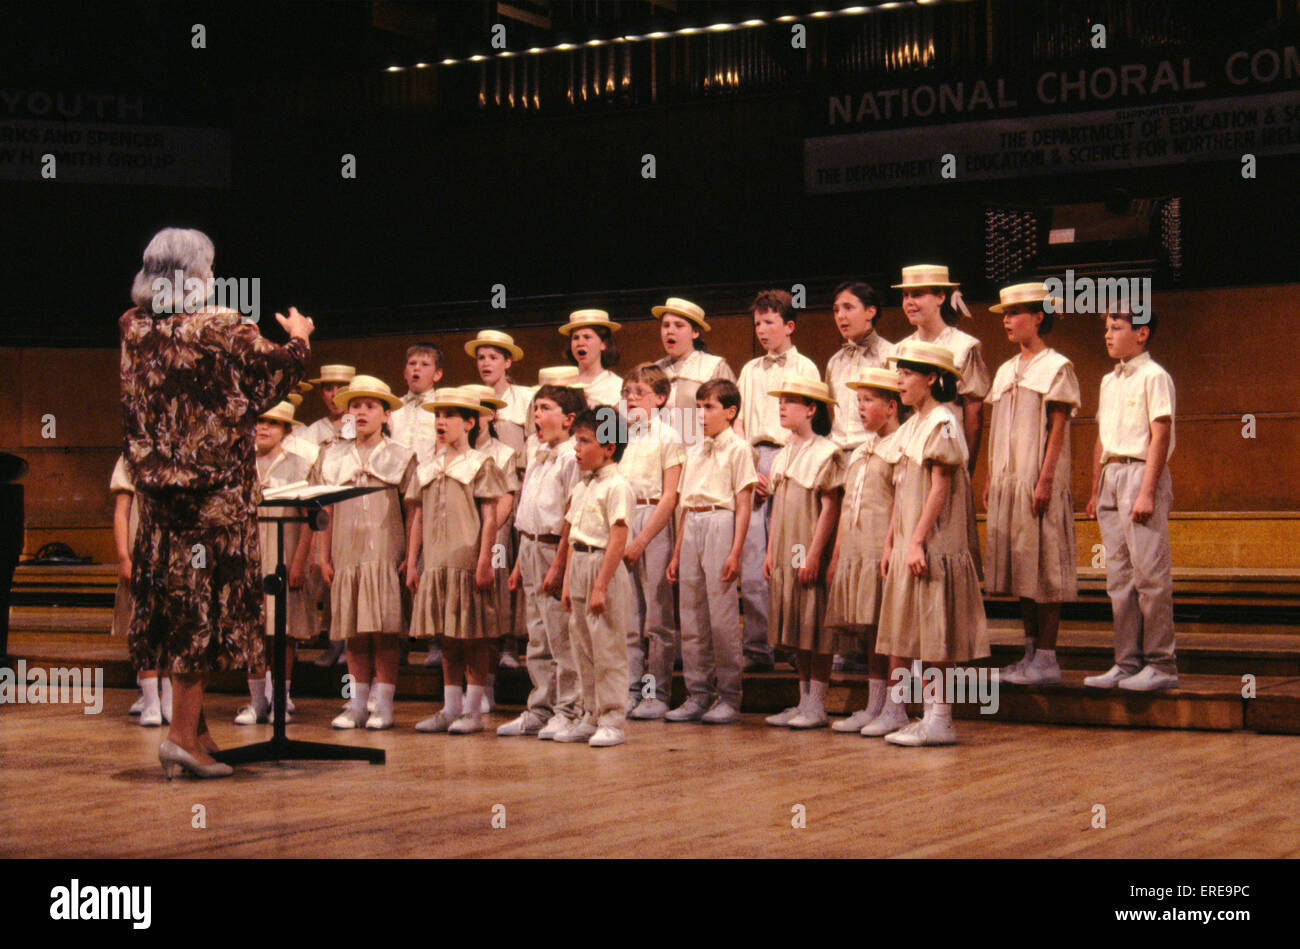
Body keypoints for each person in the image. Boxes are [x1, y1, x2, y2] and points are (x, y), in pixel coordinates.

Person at [120, 226, 312, 779]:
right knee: (200, 612)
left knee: (177, 605)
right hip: (214, 502)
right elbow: (274, 377)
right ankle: (180, 738)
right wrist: (299, 336)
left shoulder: (131, 327)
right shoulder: (222, 327)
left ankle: (198, 733)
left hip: (159, 500)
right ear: (200, 273)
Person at [875, 341, 988, 746]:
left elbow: (939, 488)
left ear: (933, 379)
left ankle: (941, 717)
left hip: (934, 539)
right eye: (900, 373)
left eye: (908, 374)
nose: (900, 381)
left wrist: (918, 540)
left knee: (937, 627)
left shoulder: (943, 422)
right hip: (910, 536)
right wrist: (892, 541)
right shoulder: (912, 426)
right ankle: (925, 713)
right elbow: (900, 490)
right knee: (918, 627)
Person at [983, 282, 1081, 686]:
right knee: (1022, 569)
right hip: (1009, 480)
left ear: (1038, 316)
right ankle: (1028, 653)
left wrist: (1044, 479)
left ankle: (1047, 656)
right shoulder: (1007, 369)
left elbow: (1058, 427)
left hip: (1036, 480)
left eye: (1015, 313)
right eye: (1005, 314)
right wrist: (991, 476)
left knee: (1045, 570)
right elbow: (998, 427)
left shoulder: (1057, 367)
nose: (1007, 321)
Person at [310, 375, 416, 731]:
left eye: (370, 406)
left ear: (386, 414)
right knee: (353, 632)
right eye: (355, 405)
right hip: (347, 553)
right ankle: (356, 704)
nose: (361, 412)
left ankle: (383, 705)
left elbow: (412, 511)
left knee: (383, 631)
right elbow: (327, 511)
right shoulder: (333, 456)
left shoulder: (401, 456)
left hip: (385, 552)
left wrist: (411, 557)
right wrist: (324, 557)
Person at [1083, 308, 1178, 692]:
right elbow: (1101, 439)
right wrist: (1094, 489)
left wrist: (1147, 490)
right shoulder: (1108, 381)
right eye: (1106, 327)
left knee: (1149, 577)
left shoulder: (1154, 376)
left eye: (1117, 327)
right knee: (1118, 578)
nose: (1108, 334)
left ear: (1141, 333)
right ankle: (1126, 661)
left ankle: (1161, 663)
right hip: (1112, 474)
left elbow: (1160, 433)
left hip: (1140, 472)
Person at [406, 387, 506, 733]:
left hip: (466, 559)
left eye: (449, 416)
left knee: (473, 637)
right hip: (436, 561)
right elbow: (417, 517)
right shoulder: (427, 466)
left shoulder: (481, 464)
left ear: (469, 423)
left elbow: (491, 517)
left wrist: (484, 562)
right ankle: (450, 708)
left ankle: (474, 711)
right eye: (438, 415)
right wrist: (411, 561)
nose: (441, 421)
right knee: (447, 637)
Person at [496, 374, 587, 738]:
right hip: (531, 547)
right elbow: (527, 510)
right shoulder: (536, 452)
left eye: (545, 408)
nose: (536, 415)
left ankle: (569, 708)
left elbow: (570, 515)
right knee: (537, 636)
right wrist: (518, 562)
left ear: (568, 418)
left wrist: (560, 564)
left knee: (561, 637)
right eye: (535, 408)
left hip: (553, 548)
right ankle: (540, 706)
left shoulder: (570, 458)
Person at [735, 290, 819, 674]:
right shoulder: (750, 370)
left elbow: (808, 424)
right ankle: (757, 646)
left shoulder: (805, 367)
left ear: (788, 325)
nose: (762, 330)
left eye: (769, 322)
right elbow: (738, 425)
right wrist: (750, 470)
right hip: (755, 463)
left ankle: (795, 642)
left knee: (792, 554)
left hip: (793, 460)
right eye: (757, 324)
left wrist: (782, 467)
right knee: (754, 561)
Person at [665, 379, 756, 724]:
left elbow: (744, 504)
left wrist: (735, 551)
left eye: (709, 407)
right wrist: (676, 553)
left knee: (721, 618)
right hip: (693, 525)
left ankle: (730, 695)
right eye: (699, 407)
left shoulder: (739, 449)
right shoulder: (693, 451)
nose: (702, 414)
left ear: (730, 412)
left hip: (720, 522)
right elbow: (685, 505)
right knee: (691, 617)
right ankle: (698, 692)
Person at [825, 368, 910, 735]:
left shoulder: (901, 446)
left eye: (868, 400)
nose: (860, 407)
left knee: (893, 632)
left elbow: (901, 502)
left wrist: (891, 543)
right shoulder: (860, 450)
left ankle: (898, 706)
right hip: (857, 551)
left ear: (891, 406)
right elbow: (847, 507)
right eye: (858, 400)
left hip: (882, 548)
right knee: (870, 631)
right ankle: (875, 704)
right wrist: (838, 553)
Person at [761, 377, 844, 729]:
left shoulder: (826, 452)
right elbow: (778, 506)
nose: (782, 407)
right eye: (781, 401)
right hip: (787, 547)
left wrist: (813, 555)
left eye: (790, 401)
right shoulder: (784, 453)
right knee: (796, 622)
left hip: (809, 543)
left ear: (811, 409)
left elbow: (830, 507)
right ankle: (803, 699)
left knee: (815, 623)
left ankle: (818, 702)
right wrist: (770, 550)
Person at [558, 407, 636, 747]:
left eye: (585, 441)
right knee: (582, 648)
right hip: (580, 566)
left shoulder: (617, 486)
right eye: (576, 440)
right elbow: (574, 534)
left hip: (603, 566)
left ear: (609, 448)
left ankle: (612, 718)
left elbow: (618, 536)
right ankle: (589, 712)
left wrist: (601, 585)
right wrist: (566, 583)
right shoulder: (582, 486)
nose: (577, 448)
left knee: (607, 648)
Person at [235, 401, 315, 724]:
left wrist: (299, 562)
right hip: (249, 558)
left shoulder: (301, 465)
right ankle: (256, 702)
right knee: (253, 631)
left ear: (287, 430)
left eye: (273, 423)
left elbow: (312, 518)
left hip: (284, 556)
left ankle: (280, 699)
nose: (264, 428)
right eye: (259, 421)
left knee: (283, 631)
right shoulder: (239, 464)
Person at [617, 364, 684, 719]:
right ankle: (629, 689)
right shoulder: (624, 436)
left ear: (659, 398)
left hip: (653, 522)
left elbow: (670, 496)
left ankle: (655, 693)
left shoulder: (668, 436)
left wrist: (641, 540)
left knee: (657, 620)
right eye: (627, 392)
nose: (631, 398)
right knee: (628, 618)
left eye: (639, 392)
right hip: (626, 519)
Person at [466, 330, 533, 670]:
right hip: (484, 493)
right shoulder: (469, 398)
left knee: (510, 563)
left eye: (493, 357)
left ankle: (510, 640)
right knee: (493, 561)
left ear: (508, 362)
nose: (486, 363)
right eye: (481, 357)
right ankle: (484, 638)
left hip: (517, 486)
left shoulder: (524, 398)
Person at [891, 265, 991, 472]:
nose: (909, 302)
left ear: (940, 297)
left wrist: (967, 467)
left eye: (917, 294)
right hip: (909, 454)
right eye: (905, 295)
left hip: (948, 452)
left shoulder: (963, 347)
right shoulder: (899, 350)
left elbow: (973, 414)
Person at [463, 383, 523, 707]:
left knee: (492, 602)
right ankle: (467, 688)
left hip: (495, 538)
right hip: (462, 540)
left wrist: (486, 531)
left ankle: (488, 683)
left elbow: (507, 499)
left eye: (483, 408)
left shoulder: (504, 453)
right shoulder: (457, 453)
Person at [108, 454, 171, 725]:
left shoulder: (189, 450)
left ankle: (169, 701)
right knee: (144, 626)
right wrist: (124, 557)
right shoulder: (131, 456)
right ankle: (150, 701)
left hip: (178, 553)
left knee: (175, 628)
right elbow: (122, 511)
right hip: (143, 555)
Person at [304, 364, 355, 668]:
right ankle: (333, 641)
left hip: (351, 507)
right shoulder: (314, 431)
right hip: (323, 508)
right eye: (327, 387)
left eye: (340, 387)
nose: (333, 394)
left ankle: (351, 643)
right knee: (327, 576)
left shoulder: (357, 423)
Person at [824, 281, 894, 455]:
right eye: (836, 310)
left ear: (870, 311)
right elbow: (831, 415)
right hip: (838, 453)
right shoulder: (834, 362)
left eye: (848, 308)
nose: (840, 316)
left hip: (876, 452)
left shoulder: (890, 355)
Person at [652, 297, 735, 439]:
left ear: (695, 332)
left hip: (701, 452)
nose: (670, 331)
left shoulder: (714, 367)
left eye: (678, 325)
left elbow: (730, 417)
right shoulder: (655, 371)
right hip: (664, 455)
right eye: (666, 325)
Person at [388, 342, 445, 459]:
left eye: (425, 364)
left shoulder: (442, 408)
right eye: (412, 363)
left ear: (437, 374)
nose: (417, 368)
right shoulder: (394, 407)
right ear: (405, 373)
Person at [560, 310, 623, 408]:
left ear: (603, 344)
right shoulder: (563, 383)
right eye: (576, 338)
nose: (580, 343)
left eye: (587, 337)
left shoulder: (617, 386)